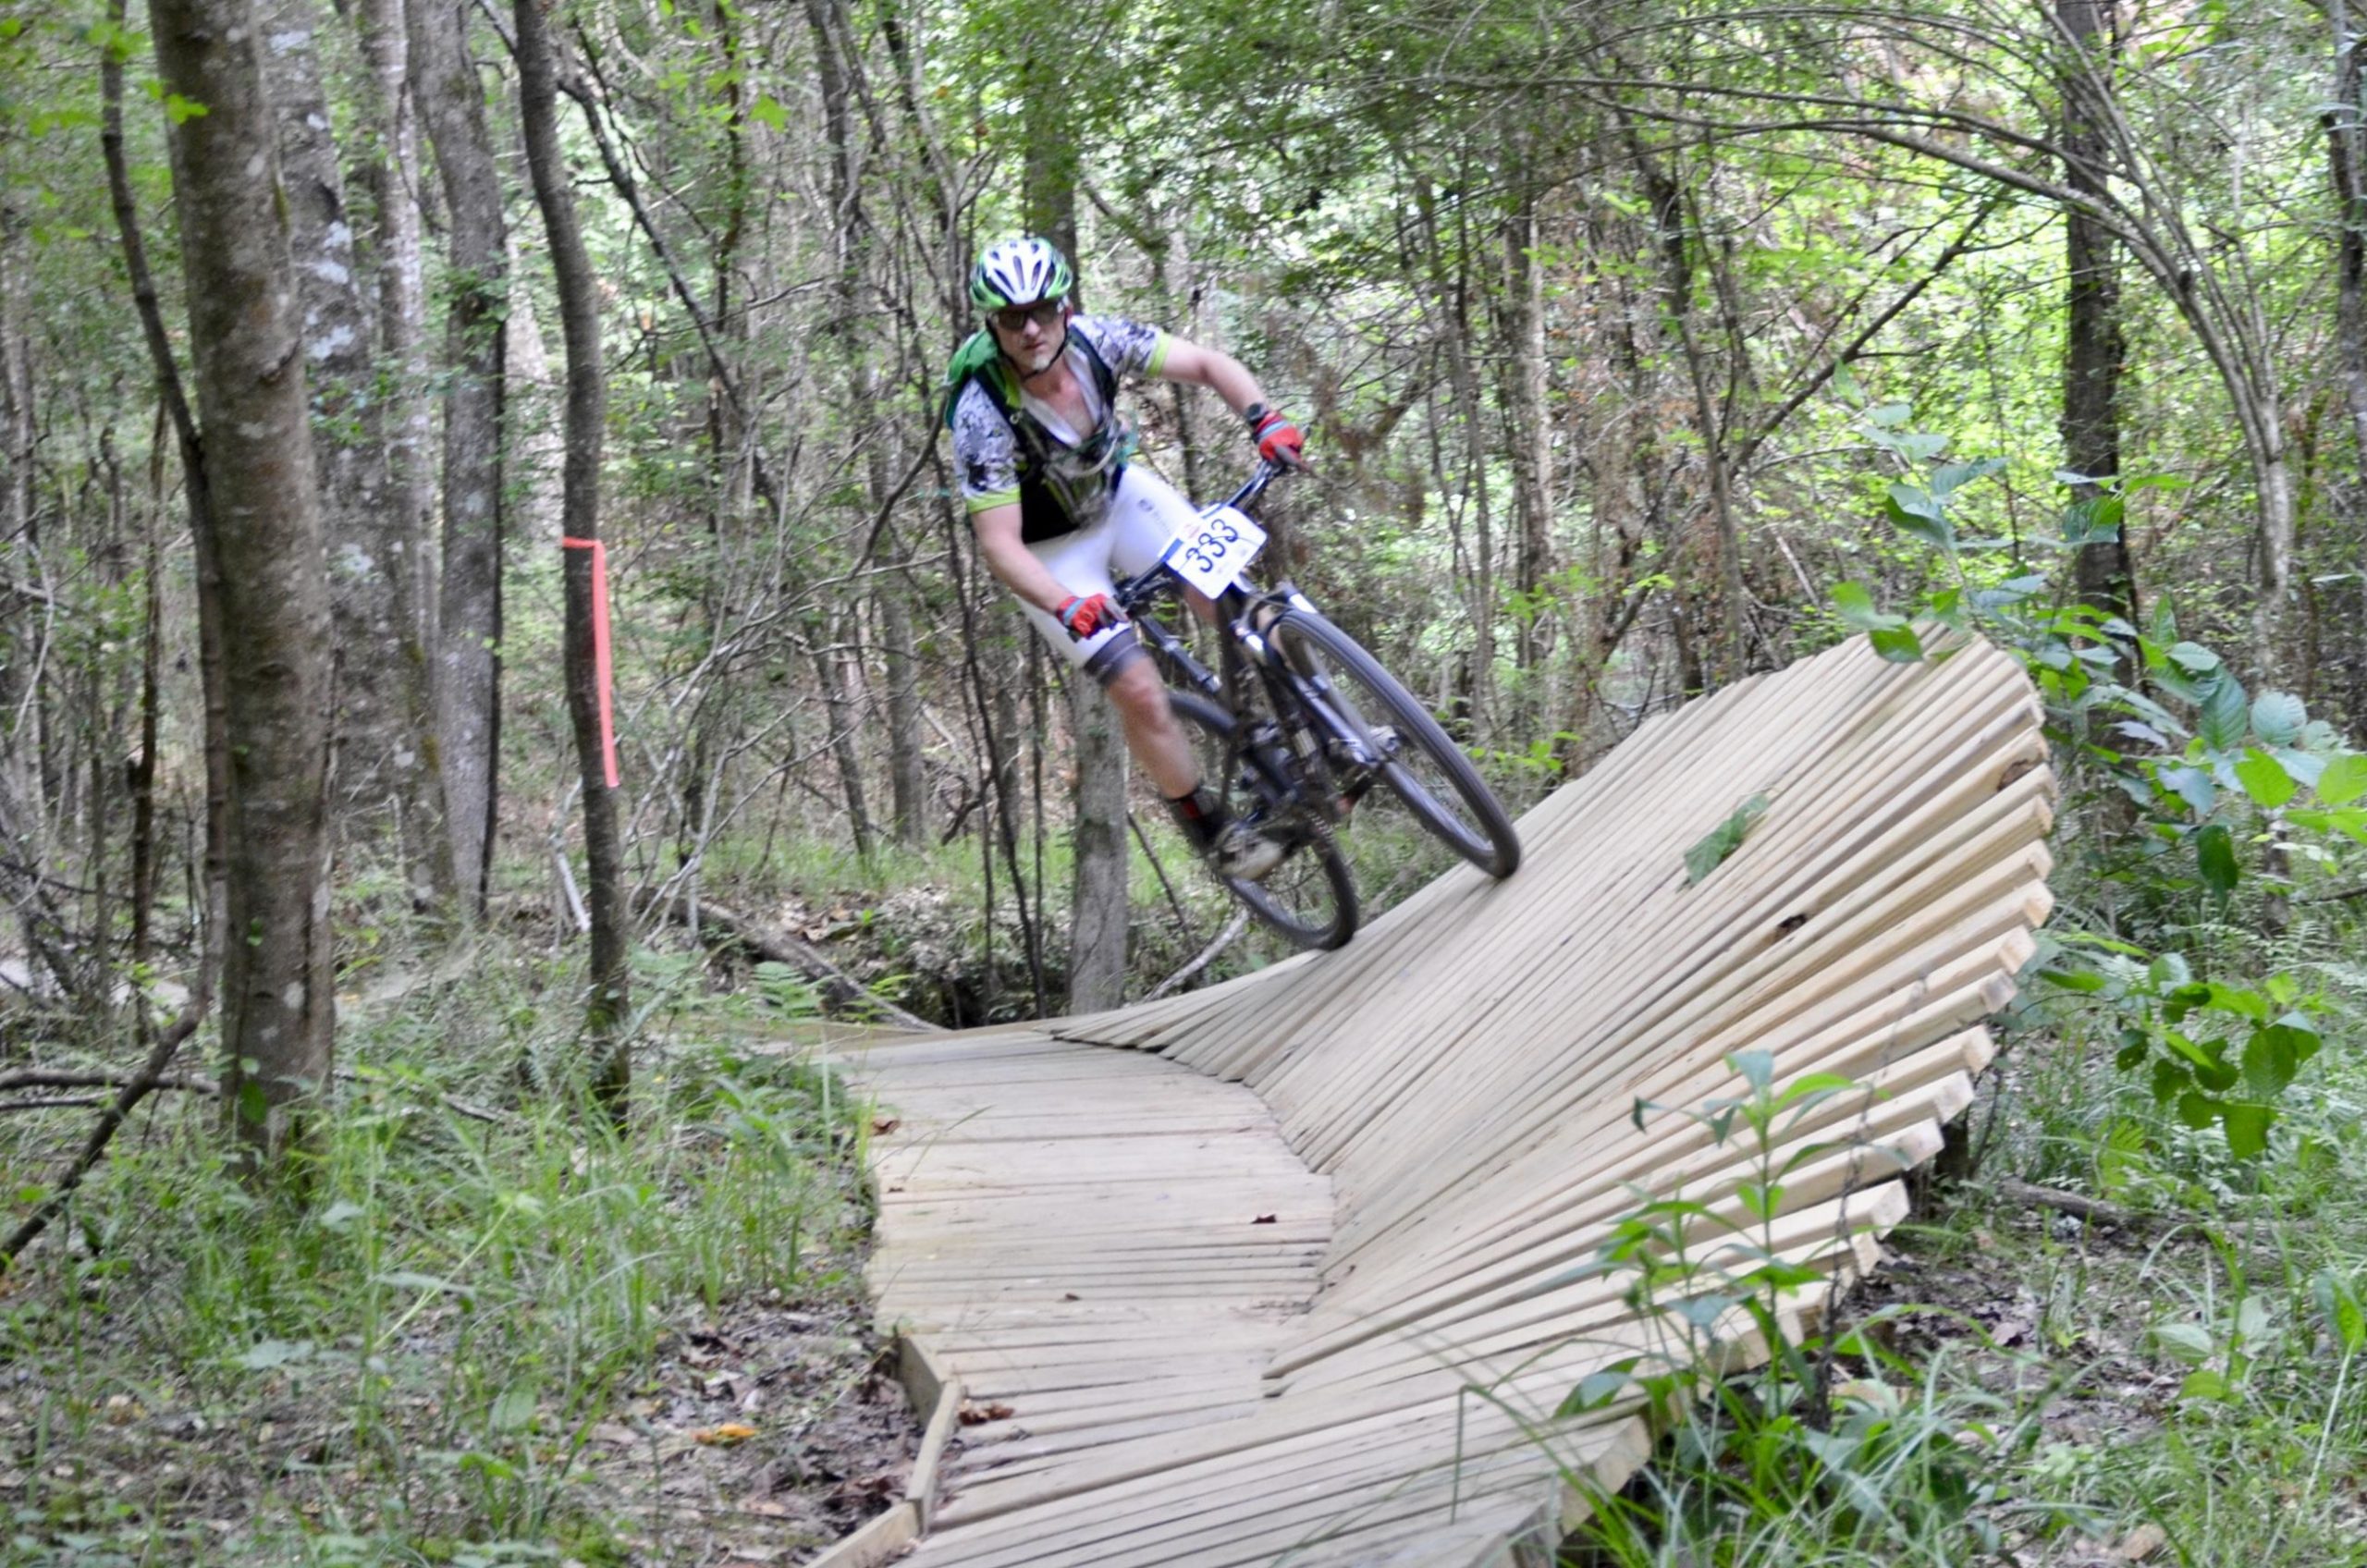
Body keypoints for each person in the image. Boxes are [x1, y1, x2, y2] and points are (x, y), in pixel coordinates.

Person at [942, 237, 1308, 881]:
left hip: (1118, 496)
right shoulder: (983, 412)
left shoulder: (1097, 341)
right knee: (1137, 686)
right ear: (990, 324)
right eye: (1010, 317)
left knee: (1237, 603)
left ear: (1067, 306)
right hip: (1050, 552)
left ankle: (1304, 733)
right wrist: (1067, 603)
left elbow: (1205, 363)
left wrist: (1264, 418)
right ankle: (1213, 830)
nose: (1031, 328)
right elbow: (997, 545)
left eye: (1044, 309)